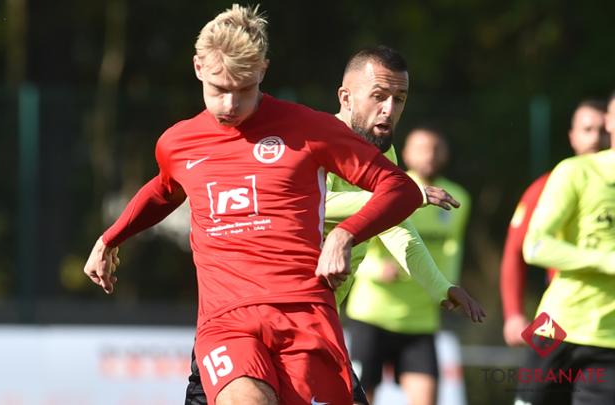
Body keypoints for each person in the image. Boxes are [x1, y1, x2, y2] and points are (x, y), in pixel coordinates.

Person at [83, 4, 430, 405]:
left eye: (244, 89)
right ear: (198, 67)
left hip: (305, 316)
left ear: (263, 70)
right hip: (226, 321)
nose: (230, 105)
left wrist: (344, 236)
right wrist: (110, 238)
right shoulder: (178, 143)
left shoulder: (310, 129)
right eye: (219, 89)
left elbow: (400, 189)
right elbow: (164, 190)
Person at [185, 45, 486, 405]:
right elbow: (300, 206)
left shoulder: (383, 155)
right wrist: (401, 195)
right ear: (345, 97)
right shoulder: (311, 140)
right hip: (258, 316)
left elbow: (396, 226)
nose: (389, 109)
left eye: (399, 99)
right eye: (379, 96)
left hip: (312, 324)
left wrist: (441, 286)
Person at [345, 126, 471, 405]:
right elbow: (355, 241)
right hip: (373, 314)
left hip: (420, 319)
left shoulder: (458, 197)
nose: (430, 155)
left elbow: (453, 249)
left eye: (436, 149)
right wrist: (377, 270)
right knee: (360, 399)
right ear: (406, 153)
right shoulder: (391, 188)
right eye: (422, 149)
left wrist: (447, 286)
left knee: (427, 398)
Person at [514, 91, 615, 404]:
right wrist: (604, 261)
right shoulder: (574, 171)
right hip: (554, 324)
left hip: (610, 340)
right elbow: (534, 246)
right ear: (610, 121)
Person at [500, 99, 607, 346]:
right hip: (561, 314)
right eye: (587, 130)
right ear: (572, 136)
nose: (595, 138)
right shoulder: (548, 185)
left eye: (602, 130)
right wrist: (514, 314)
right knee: (538, 370)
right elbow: (516, 250)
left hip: (608, 318)